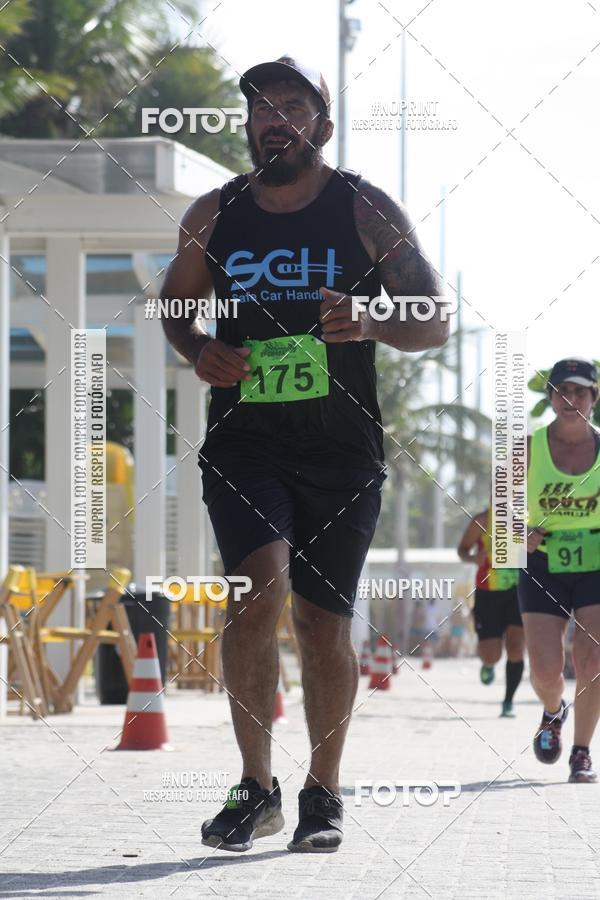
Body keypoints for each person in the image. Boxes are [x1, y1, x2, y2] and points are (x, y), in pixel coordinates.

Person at [160, 55, 449, 852]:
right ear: (247, 124)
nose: (273, 117)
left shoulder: (365, 210)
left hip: (342, 452)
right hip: (246, 445)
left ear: (321, 123)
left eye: (292, 104)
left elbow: (434, 320)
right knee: (256, 596)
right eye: (259, 105)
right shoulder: (214, 215)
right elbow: (176, 310)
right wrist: (196, 349)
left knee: (324, 625)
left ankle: (322, 793)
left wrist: (372, 320)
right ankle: (256, 788)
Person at [520, 358, 600, 783]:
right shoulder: (525, 448)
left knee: (591, 660)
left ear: (594, 398)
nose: (572, 400)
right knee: (546, 671)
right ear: (551, 398)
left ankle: (582, 753)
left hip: (595, 562)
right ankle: (554, 710)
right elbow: (502, 517)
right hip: (542, 562)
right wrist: (521, 534)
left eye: (581, 391)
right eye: (563, 391)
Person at [457, 508, 525, 716]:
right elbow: (463, 550)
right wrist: (473, 558)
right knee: (492, 655)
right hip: (488, 591)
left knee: (515, 648)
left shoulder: (525, 518)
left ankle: (508, 701)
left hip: (519, 590)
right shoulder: (481, 520)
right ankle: (488, 663)